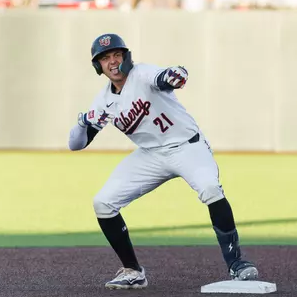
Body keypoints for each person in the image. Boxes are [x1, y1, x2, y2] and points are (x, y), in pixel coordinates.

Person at [68, 33, 258, 290]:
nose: (112, 61)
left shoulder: (142, 73)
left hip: (187, 146)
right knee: (103, 203)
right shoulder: (103, 101)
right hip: (151, 155)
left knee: (210, 188)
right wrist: (82, 123)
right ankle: (133, 271)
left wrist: (174, 74)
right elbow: (76, 144)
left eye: (116, 54)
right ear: (97, 66)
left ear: (126, 56)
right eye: (104, 58)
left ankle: (238, 264)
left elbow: (165, 77)